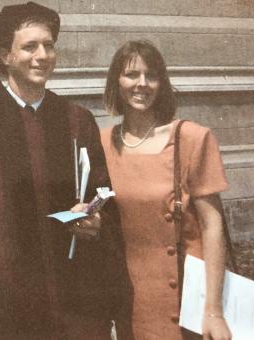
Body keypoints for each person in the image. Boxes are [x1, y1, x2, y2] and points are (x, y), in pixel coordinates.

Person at [0, 2, 131, 339]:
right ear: (5, 55)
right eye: (29, 46)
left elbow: (103, 195)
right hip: (3, 300)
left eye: (48, 45)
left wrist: (97, 220)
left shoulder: (77, 120)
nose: (42, 55)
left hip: (74, 296)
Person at [101, 40, 231, 339]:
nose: (142, 84)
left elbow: (213, 226)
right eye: (131, 74)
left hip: (187, 294)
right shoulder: (102, 143)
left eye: (152, 75)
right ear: (116, 82)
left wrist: (213, 311)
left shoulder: (193, 139)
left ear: (163, 84)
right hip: (131, 298)